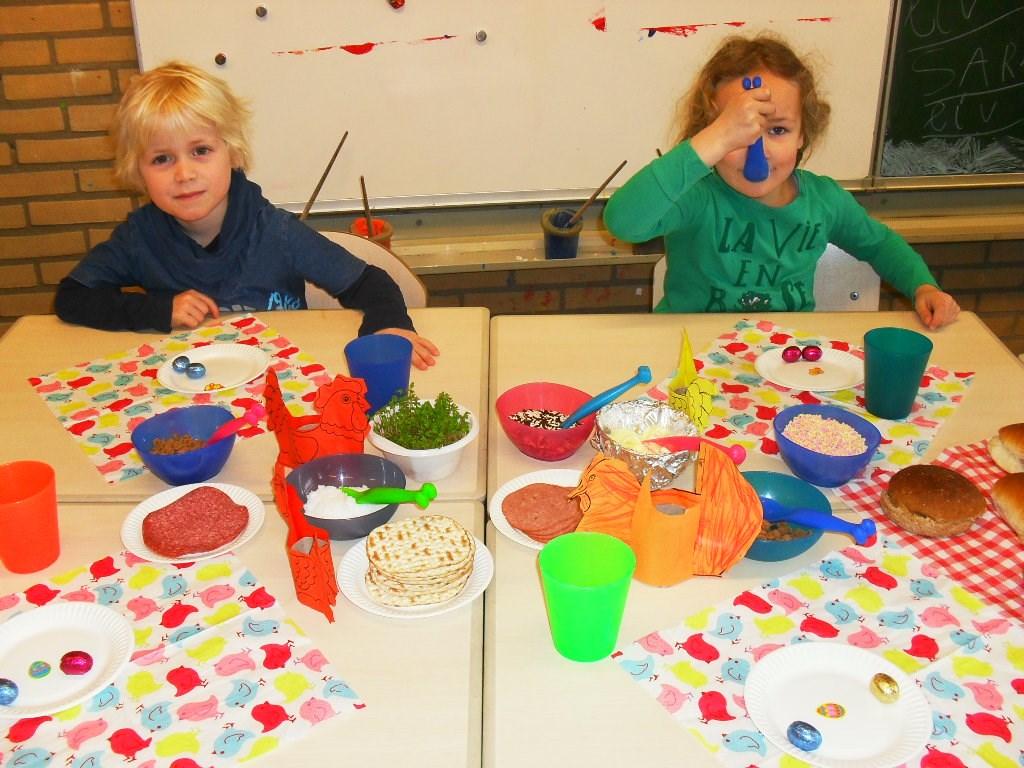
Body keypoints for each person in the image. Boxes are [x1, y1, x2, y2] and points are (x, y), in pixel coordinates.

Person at [54, 61, 439, 368]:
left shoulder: (275, 231)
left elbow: (370, 282)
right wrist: (156, 309)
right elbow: (72, 298)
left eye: (200, 151)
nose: (184, 173)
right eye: (161, 159)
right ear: (138, 173)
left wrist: (388, 325)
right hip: (191, 386)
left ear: (233, 153)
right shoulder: (139, 238)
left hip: (281, 382)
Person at [604, 33, 960, 330]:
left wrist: (922, 286)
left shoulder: (824, 201)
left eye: (778, 130)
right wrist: (712, 142)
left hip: (777, 365)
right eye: (736, 132)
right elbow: (623, 222)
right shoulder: (696, 195)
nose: (758, 152)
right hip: (686, 357)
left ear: (803, 134)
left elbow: (879, 244)